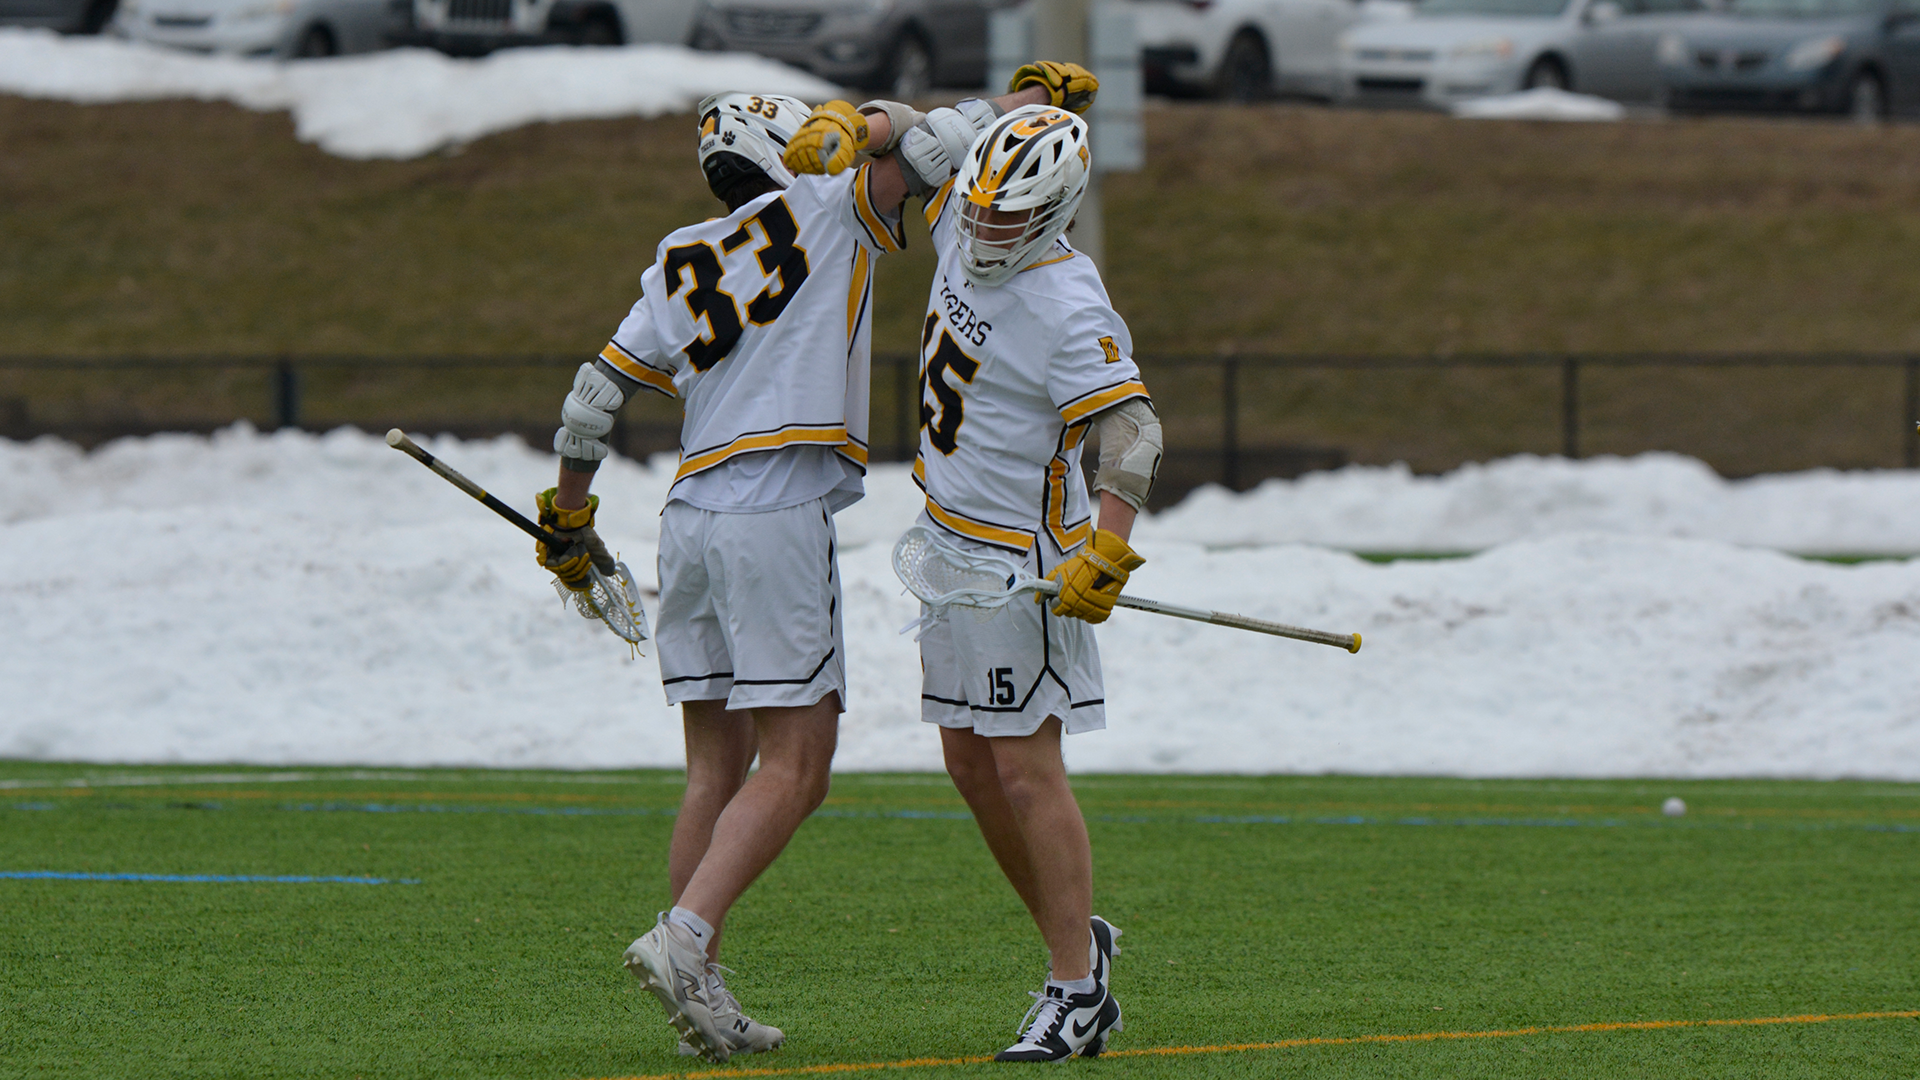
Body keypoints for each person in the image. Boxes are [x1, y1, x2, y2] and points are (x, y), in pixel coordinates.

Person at [537, 73, 1087, 1064]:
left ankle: (699, 983)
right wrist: (914, 114)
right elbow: (941, 141)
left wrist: (567, 519)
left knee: (713, 765)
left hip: (687, 515)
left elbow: (591, 402)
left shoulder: (679, 258)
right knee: (797, 765)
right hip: (776, 510)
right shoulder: (832, 206)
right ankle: (686, 935)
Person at [788, 80, 1159, 1063]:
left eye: (1011, 213)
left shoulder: (1068, 299)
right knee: (967, 763)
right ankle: (1079, 941)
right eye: (983, 203)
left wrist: (1106, 549)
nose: (987, 223)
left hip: (1021, 565)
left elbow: (1132, 431)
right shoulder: (969, 197)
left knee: (1027, 769)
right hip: (947, 545)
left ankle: (1076, 991)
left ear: (1057, 211)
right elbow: (920, 127)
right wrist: (858, 123)